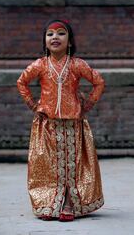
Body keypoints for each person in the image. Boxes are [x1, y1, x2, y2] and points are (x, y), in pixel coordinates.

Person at [17, 19, 105, 222]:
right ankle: (49, 204)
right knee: (48, 164)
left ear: (70, 41)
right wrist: (33, 105)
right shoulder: (40, 65)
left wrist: (87, 105)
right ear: (45, 41)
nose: (55, 37)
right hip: (47, 123)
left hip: (73, 123)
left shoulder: (77, 64)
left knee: (71, 164)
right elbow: (21, 82)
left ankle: (69, 203)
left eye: (61, 33)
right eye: (50, 34)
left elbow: (98, 82)